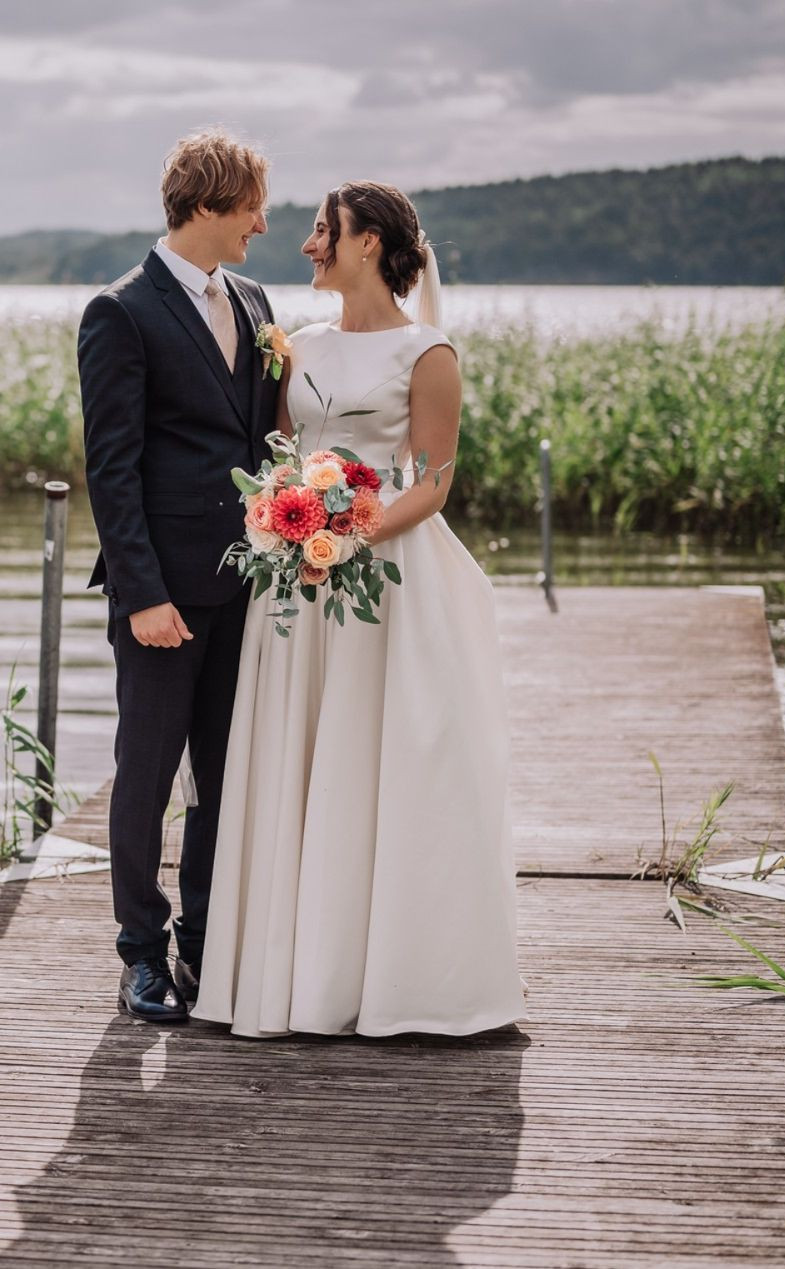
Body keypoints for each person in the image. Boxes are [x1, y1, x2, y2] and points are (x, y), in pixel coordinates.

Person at [192, 181, 526, 1038]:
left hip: (381, 590)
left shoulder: (428, 353)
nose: (307, 245)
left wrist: (352, 535)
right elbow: (278, 455)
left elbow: (436, 481)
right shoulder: (296, 347)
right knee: (298, 759)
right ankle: (291, 979)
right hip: (293, 592)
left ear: (368, 242)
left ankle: (395, 979)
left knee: (379, 761)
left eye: (320, 230)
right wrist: (281, 521)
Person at [76, 130, 281, 1023]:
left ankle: (203, 942)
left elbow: (259, 442)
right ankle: (140, 955)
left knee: (225, 778)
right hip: (163, 595)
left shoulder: (253, 297)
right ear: (206, 204)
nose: (262, 225)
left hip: (249, 586)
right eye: (250, 207)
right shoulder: (120, 311)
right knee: (147, 777)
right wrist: (143, 593)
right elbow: (111, 469)